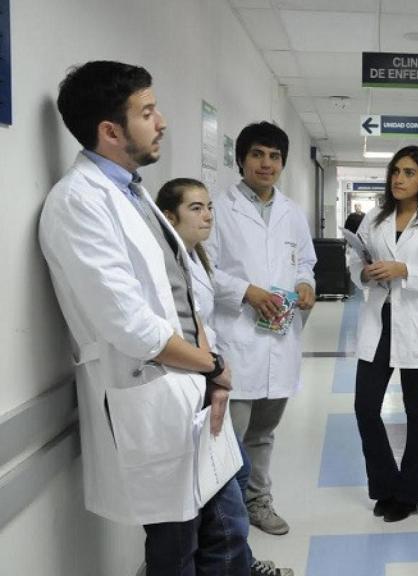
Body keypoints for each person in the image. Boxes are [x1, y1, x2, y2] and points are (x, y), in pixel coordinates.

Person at [39, 60, 248, 575]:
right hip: (152, 391)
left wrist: (210, 374)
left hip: (192, 387)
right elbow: (130, 325)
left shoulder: (133, 192)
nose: (162, 122)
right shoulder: (78, 203)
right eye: (148, 112)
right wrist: (212, 365)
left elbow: (186, 292)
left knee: (225, 532)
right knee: (178, 549)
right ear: (110, 130)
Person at [157, 178, 294, 576]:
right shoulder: (172, 260)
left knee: (231, 478)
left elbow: (199, 320)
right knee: (222, 490)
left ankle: (237, 564)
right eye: (196, 208)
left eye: (209, 207)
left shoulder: (195, 257)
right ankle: (236, 566)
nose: (208, 215)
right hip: (190, 383)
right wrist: (214, 367)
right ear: (169, 217)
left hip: (207, 377)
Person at [206, 122, 317, 536]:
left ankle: (258, 502)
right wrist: (245, 291)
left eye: (273, 156)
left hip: (279, 339)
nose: (266, 163)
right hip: (237, 341)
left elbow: (305, 263)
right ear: (241, 160)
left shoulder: (291, 213)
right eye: (257, 154)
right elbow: (204, 271)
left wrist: (306, 284)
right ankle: (224, 519)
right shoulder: (219, 209)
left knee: (263, 435)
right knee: (229, 438)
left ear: (283, 162)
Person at [347, 146, 418, 522]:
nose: (398, 178)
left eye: (409, 172)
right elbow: (354, 260)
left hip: (415, 323)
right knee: (364, 407)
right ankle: (385, 486)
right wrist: (363, 273)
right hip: (378, 321)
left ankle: (411, 493)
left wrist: (404, 270)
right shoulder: (375, 217)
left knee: (415, 411)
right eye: (395, 171)